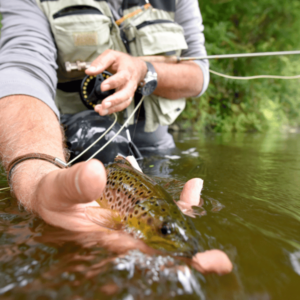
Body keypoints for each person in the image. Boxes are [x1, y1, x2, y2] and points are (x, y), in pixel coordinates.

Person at [0, 1, 232, 274]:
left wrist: (145, 70)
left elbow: (198, 74)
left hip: (158, 147)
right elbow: (21, 69)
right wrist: (35, 173)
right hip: (75, 148)